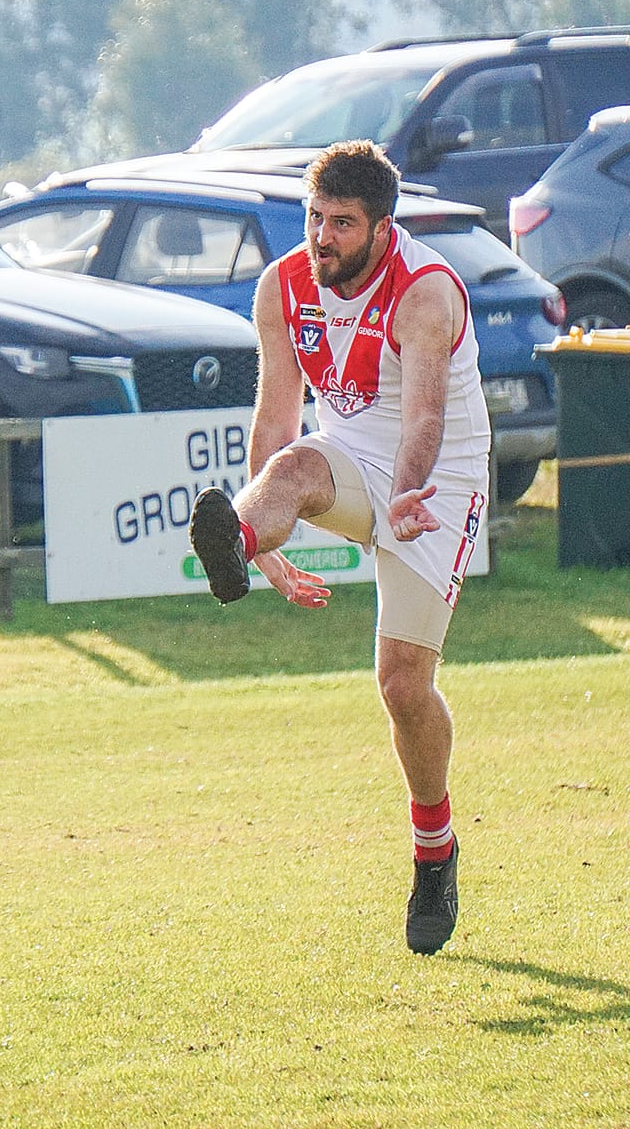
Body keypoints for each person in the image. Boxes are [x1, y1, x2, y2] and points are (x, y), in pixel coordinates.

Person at [188, 139, 489, 955]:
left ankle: (435, 849)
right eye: (314, 217)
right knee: (289, 467)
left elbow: (425, 420)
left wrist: (409, 491)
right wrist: (261, 545)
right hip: (348, 454)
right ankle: (240, 532)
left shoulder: (425, 294)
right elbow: (276, 422)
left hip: (439, 480)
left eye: (342, 225)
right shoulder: (283, 286)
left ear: (382, 228)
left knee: (400, 685)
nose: (322, 238)